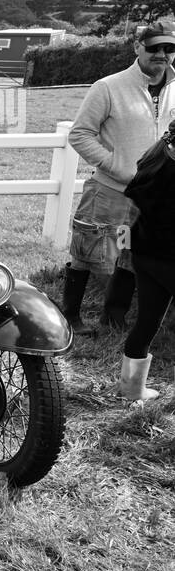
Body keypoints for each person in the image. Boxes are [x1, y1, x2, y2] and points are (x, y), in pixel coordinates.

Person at [64, 21, 175, 335]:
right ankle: (70, 315)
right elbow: (81, 135)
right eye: (154, 47)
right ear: (137, 47)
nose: (162, 54)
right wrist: (116, 165)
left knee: (129, 252)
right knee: (86, 250)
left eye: (169, 48)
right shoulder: (108, 87)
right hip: (111, 190)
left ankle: (114, 317)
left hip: (153, 197)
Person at [119, 119, 175, 400]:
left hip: (144, 255)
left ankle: (131, 390)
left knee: (147, 321)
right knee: (148, 321)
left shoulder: (153, 158)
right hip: (169, 259)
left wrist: (124, 249)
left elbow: (127, 212)